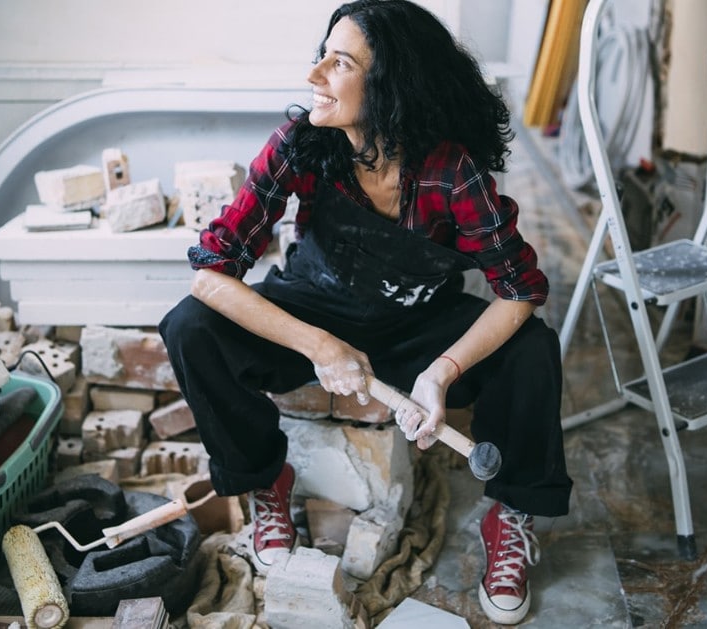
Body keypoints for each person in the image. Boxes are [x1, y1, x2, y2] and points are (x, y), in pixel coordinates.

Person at [159, 0, 570, 624]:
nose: (314, 75)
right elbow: (210, 278)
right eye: (320, 56)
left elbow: (519, 289)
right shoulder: (302, 142)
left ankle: (510, 514)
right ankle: (266, 482)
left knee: (533, 347)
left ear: (389, 86)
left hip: (416, 323)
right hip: (314, 306)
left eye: (340, 62)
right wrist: (318, 345)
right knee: (190, 329)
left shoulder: (449, 170)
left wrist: (442, 373)